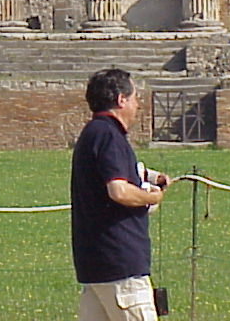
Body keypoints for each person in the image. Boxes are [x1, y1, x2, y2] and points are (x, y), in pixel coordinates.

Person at [71, 68, 171, 321]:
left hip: (96, 266)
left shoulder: (93, 133)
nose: (138, 105)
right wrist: (153, 197)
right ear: (121, 99)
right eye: (135, 98)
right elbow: (119, 190)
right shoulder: (109, 136)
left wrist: (150, 177)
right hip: (121, 268)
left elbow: (117, 171)